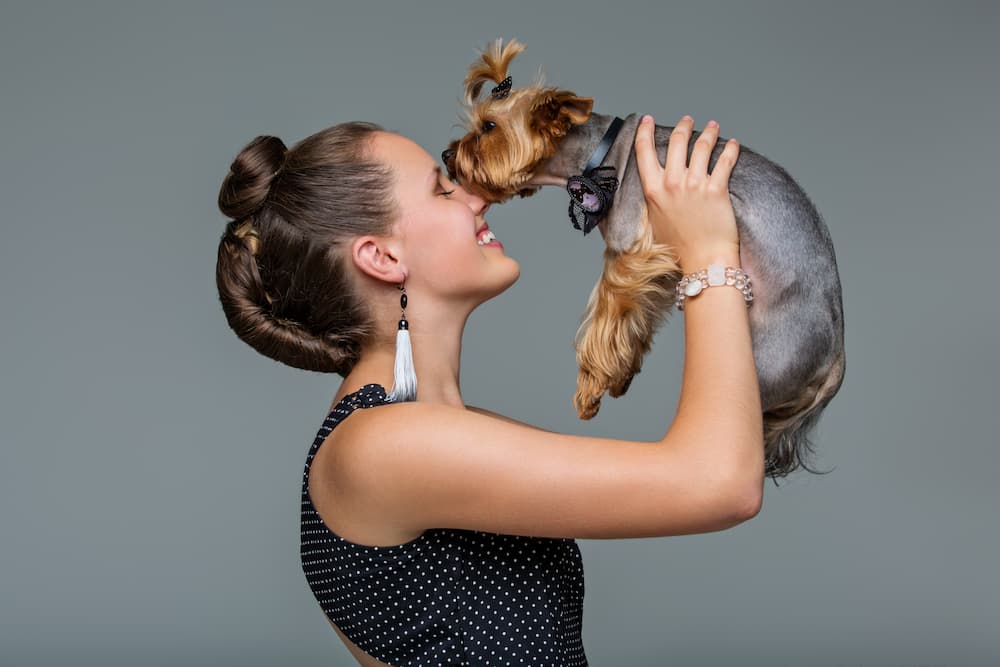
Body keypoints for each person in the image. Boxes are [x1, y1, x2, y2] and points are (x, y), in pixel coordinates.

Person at [215, 114, 763, 666]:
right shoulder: (384, 447)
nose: (477, 196)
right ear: (382, 258)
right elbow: (720, 483)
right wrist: (709, 253)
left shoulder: (422, 429)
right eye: (440, 188)